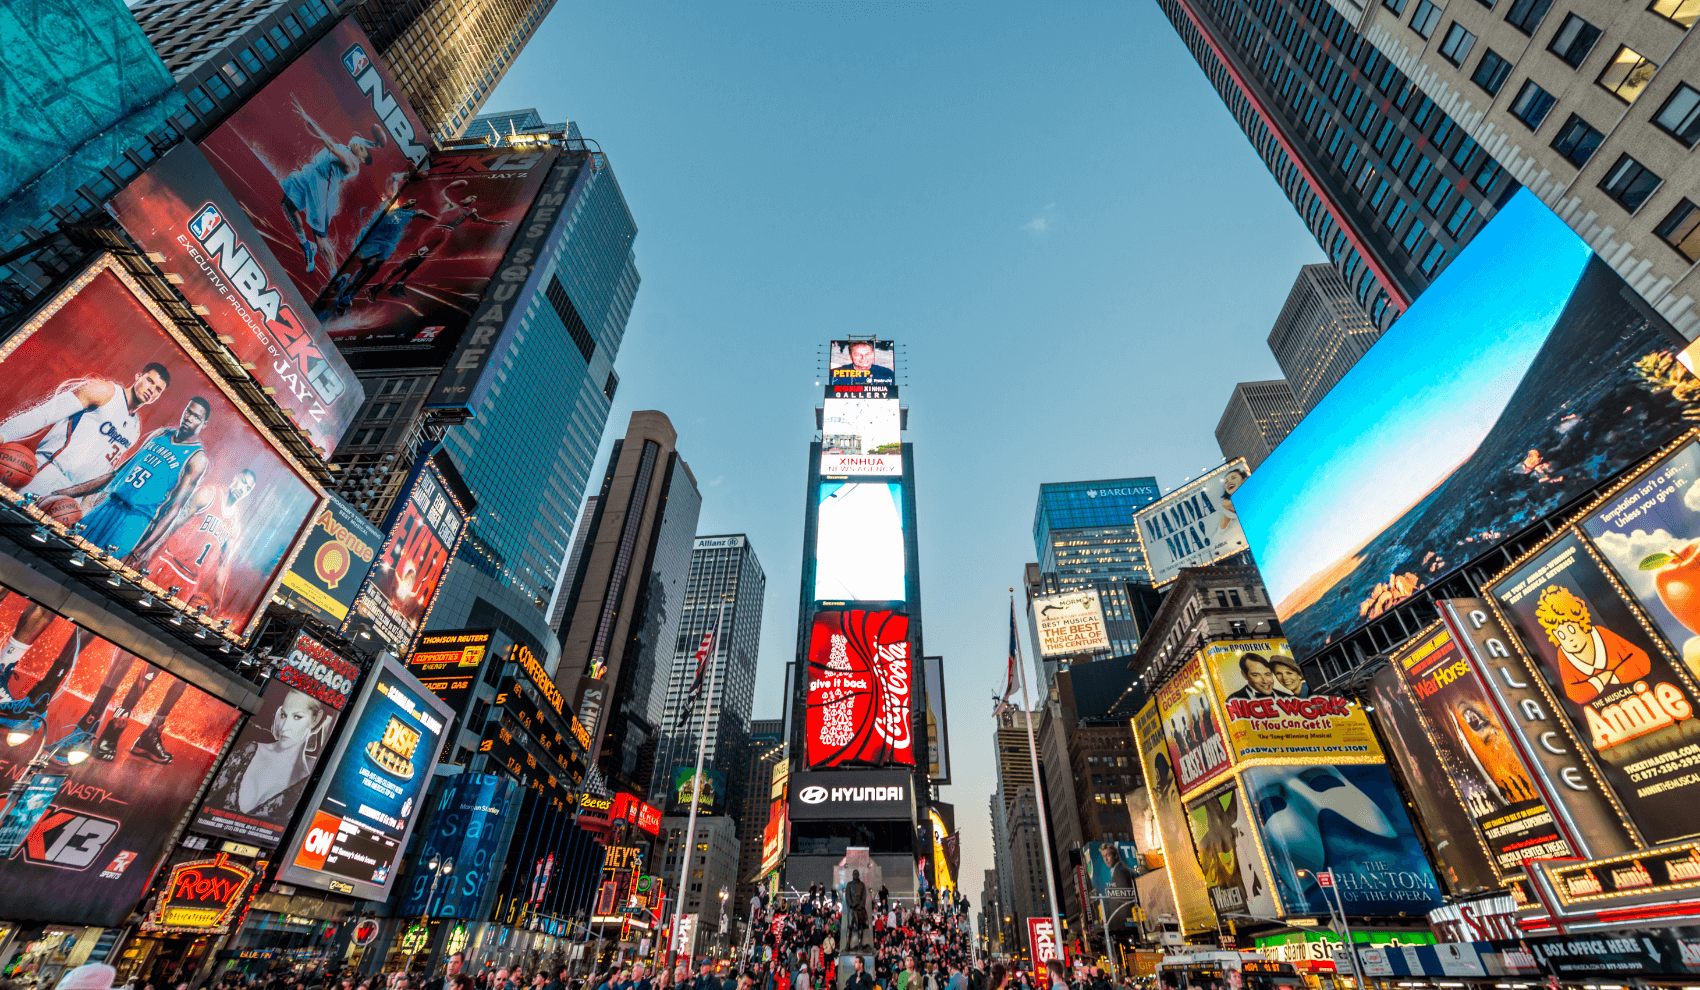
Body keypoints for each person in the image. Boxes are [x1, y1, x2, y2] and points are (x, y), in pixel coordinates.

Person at [277, 96, 388, 273]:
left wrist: (306, 117)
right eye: (360, 144)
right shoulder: (349, 148)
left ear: (361, 158)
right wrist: (374, 143)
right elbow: (353, 140)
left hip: (322, 191)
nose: (358, 144)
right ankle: (306, 246)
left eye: (361, 148)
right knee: (287, 204)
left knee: (320, 238)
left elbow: (328, 144)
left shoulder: (353, 163)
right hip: (309, 174)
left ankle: (334, 275)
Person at [1535, 584, 1654, 703]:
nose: (1569, 639)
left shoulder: (1602, 634)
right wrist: (1602, 679)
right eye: (1562, 636)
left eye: (1572, 630)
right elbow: (1575, 694)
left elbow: (1642, 661)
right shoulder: (1563, 654)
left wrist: (1615, 676)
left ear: (1581, 623)